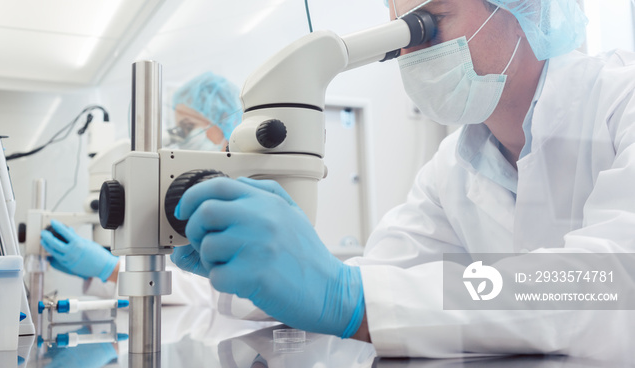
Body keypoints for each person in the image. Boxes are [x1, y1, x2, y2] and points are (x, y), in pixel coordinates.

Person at [169, 0, 635, 360]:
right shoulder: (452, 166)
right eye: (400, 32)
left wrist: (349, 297)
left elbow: (606, 283)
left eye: (430, 22)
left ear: (519, 9)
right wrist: (255, 270)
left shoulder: (622, 102)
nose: (411, 53)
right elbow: (379, 282)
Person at [40, 72, 243, 302]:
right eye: (179, 128)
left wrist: (112, 269)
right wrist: (97, 274)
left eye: (188, 126)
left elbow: (214, 293)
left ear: (224, 118)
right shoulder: (195, 191)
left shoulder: (238, 188)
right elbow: (176, 273)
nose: (182, 137)